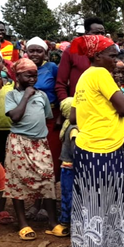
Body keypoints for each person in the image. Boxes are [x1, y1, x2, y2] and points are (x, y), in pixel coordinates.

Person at [69, 34, 124, 247]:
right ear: (97, 56)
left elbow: (73, 115)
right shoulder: (100, 74)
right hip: (101, 150)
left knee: (92, 207)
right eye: (112, 55)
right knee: (97, 208)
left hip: (90, 148)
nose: (116, 61)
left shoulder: (84, 77)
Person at [5, 59, 59, 240]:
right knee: (17, 181)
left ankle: (52, 222)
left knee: (47, 178)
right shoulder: (12, 95)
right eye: (28, 75)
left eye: (35, 75)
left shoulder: (42, 95)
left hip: (40, 143)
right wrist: (26, 96)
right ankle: (23, 224)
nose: (32, 79)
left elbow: (47, 116)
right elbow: (15, 117)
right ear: (17, 76)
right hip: (19, 142)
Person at [28, 37, 61, 179]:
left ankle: (51, 181)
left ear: (45, 53)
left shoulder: (51, 68)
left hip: (51, 115)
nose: (35, 54)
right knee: (33, 149)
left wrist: (61, 116)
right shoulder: (22, 67)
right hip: (30, 116)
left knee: (52, 148)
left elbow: (61, 88)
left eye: (39, 51)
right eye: (32, 51)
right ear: (26, 52)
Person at [52, 98, 77, 236]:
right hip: (71, 167)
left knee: (67, 194)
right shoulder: (74, 128)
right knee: (70, 195)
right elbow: (74, 150)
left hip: (66, 166)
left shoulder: (66, 126)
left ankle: (65, 221)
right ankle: (68, 222)